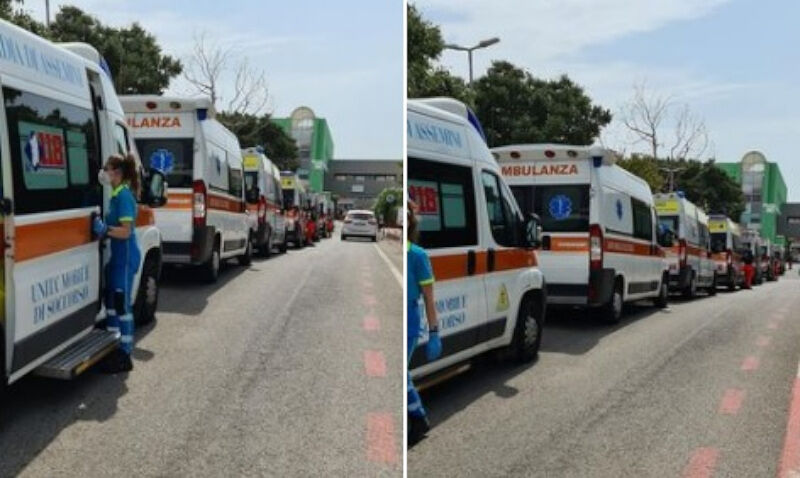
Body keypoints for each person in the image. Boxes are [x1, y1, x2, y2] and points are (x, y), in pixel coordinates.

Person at [92, 154, 142, 372]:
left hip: (126, 259)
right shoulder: (115, 195)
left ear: (117, 172)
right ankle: (113, 346)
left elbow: (126, 232)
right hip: (117, 258)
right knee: (111, 302)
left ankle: (125, 354)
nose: (103, 172)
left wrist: (105, 230)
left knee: (122, 305)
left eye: (106, 168)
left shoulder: (124, 197)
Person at [406, 199, 441, 446]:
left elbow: (429, 298)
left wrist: (434, 333)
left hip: (409, 321)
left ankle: (418, 419)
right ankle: (418, 417)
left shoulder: (418, 255)